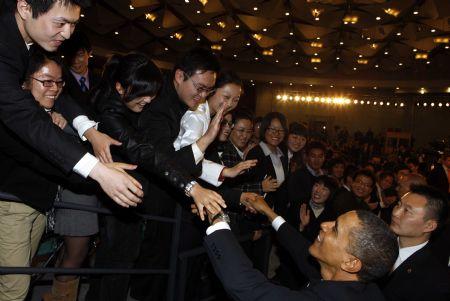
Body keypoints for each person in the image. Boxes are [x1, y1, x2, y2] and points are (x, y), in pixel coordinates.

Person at [84, 53, 225, 301]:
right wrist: (191, 186)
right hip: (125, 190)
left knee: (130, 262)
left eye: (208, 91)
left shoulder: (159, 101)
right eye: (200, 88)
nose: (149, 101)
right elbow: (148, 153)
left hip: (143, 193)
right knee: (117, 261)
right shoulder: (121, 111)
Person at [0, 0, 143, 209]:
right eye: (60, 23)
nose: (67, 34)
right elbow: (26, 118)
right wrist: (97, 171)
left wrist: (89, 132)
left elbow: (63, 96)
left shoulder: (31, 40)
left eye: (73, 24)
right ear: (25, 8)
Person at [132, 48, 224, 300]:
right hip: (148, 201)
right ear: (180, 76)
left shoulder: (185, 104)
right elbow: (162, 163)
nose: (203, 96)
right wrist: (205, 142)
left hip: (171, 203)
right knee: (150, 270)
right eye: (200, 87)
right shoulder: (158, 106)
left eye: (209, 91)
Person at [203, 197, 398, 301]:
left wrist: (217, 219)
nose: (324, 225)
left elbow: (250, 289)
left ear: (351, 263)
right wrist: (269, 213)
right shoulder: (361, 284)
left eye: (335, 229)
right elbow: (301, 249)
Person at [173, 70, 256, 187]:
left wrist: (226, 171)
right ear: (212, 91)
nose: (230, 104)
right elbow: (187, 160)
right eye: (226, 97)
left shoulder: (210, 116)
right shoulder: (197, 115)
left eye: (235, 100)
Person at [380, 185, 449, 301]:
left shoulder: (435, 280)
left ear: (429, 226)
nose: (396, 213)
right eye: (398, 205)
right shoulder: (378, 243)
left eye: (407, 210)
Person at [60, 29, 99, 116]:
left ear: (89, 53)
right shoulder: (61, 81)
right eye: (71, 56)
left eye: (80, 55)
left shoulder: (100, 80)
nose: (75, 61)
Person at [298, 176, 339, 242]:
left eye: (324, 189)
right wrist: (302, 226)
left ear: (330, 194)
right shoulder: (299, 205)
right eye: (316, 185)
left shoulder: (332, 215)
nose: (318, 190)